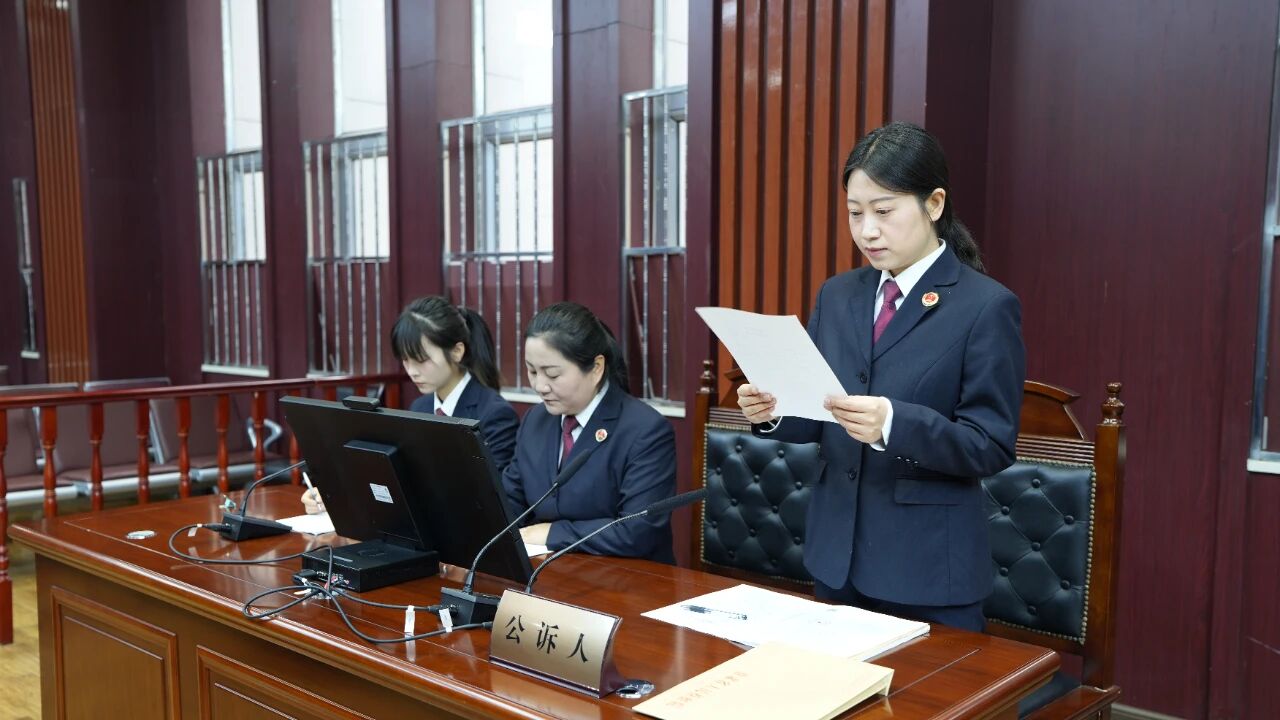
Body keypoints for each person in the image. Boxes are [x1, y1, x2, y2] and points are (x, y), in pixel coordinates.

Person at [736, 121, 1025, 631]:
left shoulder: (985, 306)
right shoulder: (838, 294)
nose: (867, 231)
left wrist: (893, 424)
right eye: (855, 212)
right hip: (836, 560)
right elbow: (819, 413)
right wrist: (773, 411)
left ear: (934, 204)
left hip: (927, 571)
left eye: (884, 211)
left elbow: (990, 445)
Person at [302, 296, 519, 513]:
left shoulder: (494, 414)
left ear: (456, 351)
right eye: (406, 360)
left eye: (422, 360)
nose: (412, 372)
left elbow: (496, 500)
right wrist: (334, 496)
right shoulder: (419, 408)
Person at [501, 301, 676, 562]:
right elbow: (509, 501)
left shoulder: (645, 430)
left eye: (552, 374)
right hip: (546, 571)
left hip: (627, 577)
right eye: (532, 371)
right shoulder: (535, 420)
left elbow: (638, 530)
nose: (539, 385)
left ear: (596, 369)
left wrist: (552, 533)